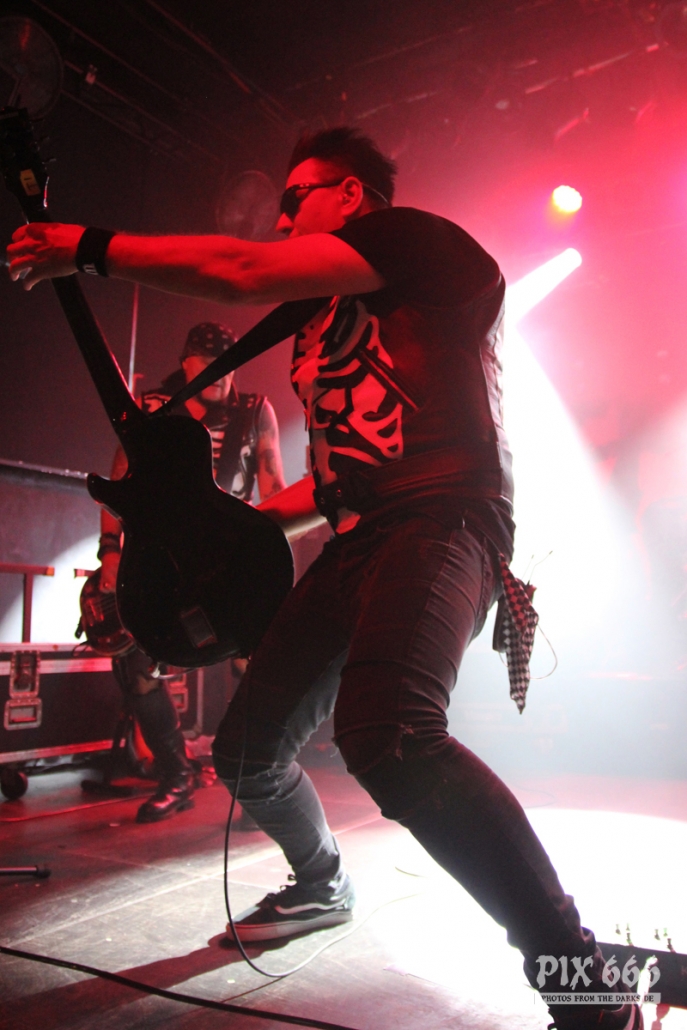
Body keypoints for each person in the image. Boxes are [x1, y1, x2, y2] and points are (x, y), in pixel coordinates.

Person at [8, 127, 640, 1029]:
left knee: (390, 734)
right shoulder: (314, 323)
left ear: (350, 195)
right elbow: (335, 478)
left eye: (295, 197)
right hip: (357, 534)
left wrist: (89, 247)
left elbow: (237, 270)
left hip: (442, 518)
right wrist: (203, 539)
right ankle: (321, 883)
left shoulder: (416, 242)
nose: (280, 219)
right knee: (246, 750)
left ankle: (587, 988)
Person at [97, 322, 287, 823]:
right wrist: (110, 553)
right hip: (164, 563)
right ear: (186, 365)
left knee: (253, 667)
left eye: (228, 368)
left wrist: (268, 560)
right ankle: (175, 776)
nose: (221, 377)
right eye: (209, 366)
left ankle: (255, 784)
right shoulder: (155, 408)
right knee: (139, 668)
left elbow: (274, 488)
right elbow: (119, 485)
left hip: (230, 562)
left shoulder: (255, 411)